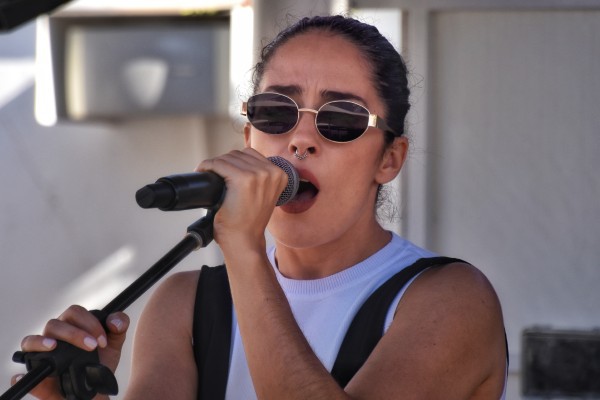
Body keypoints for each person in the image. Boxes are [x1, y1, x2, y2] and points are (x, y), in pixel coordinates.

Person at [12, 15, 507, 399]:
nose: (301, 139)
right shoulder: (185, 303)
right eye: (276, 112)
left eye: (340, 119)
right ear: (249, 138)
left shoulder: (451, 299)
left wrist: (244, 251)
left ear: (389, 159)